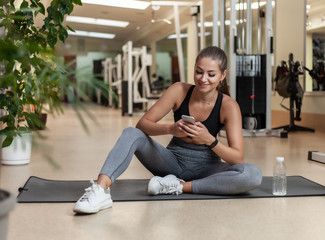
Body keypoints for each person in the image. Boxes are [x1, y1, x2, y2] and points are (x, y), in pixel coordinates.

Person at [73, 46, 263, 214]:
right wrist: (171, 128)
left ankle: (178, 187)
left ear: (222, 75)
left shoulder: (229, 106)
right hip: (171, 163)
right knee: (131, 133)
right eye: (198, 72)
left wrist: (210, 140)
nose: (203, 79)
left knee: (252, 174)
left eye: (211, 74)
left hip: (207, 168)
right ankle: (101, 190)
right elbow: (143, 124)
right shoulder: (179, 90)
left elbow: (237, 158)